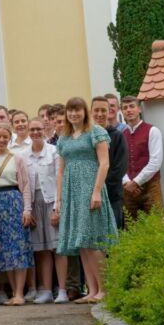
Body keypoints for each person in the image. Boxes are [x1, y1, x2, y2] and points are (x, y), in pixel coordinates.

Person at [54, 97, 118, 303]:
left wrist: (97, 191)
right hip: (72, 192)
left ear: (84, 112)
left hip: (90, 188)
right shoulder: (63, 138)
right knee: (82, 243)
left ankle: (104, 290)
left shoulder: (96, 132)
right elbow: (61, 172)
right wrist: (59, 199)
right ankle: (91, 290)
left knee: (93, 240)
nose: (73, 114)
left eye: (77, 110)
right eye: (70, 111)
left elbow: (104, 164)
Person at [0, 124, 34, 306]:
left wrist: (27, 209)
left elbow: (26, 185)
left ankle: (20, 293)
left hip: (14, 202)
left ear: (9, 139)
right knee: (5, 252)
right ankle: (14, 292)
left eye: (5, 137)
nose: (2, 140)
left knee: (19, 248)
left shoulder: (17, 158)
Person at [21, 117, 63, 304]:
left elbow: (59, 179)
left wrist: (57, 207)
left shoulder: (54, 151)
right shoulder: (23, 155)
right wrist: (27, 210)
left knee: (57, 247)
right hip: (35, 203)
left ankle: (62, 289)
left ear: (45, 130)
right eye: (32, 129)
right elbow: (24, 184)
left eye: (39, 129)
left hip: (52, 201)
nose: (36, 132)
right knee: (42, 250)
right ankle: (46, 290)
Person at [120, 96, 163, 219]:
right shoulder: (121, 135)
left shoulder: (152, 131)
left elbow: (156, 162)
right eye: (125, 108)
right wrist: (127, 182)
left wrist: (136, 182)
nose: (129, 110)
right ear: (122, 112)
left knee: (156, 225)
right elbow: (119, 163)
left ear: (139, 109)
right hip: (128, 190)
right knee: (132, 229)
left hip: (150, 188)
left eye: (132, 106)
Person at [91, 97, 127, 229]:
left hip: (112, 196)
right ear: (90, 111)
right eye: (96, 110)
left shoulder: (117, 136)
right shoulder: (87, 136)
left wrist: (100, 188)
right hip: (90, 196)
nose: (100, 114)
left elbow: (119, 169)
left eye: (103, 110)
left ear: (109, 112)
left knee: (113, 237)